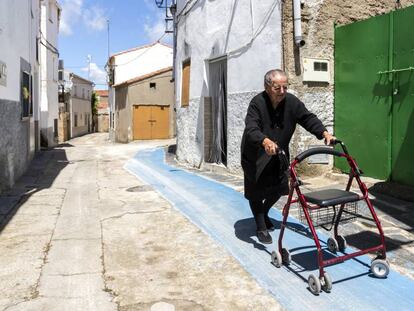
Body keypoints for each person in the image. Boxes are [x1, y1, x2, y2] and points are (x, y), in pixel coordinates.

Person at [240, 69, 335, 244]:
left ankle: (264, 212)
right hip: (256, 153)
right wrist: (265, 141)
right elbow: (251, 128)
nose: (282, 92)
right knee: (256, 192)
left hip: (278, 153)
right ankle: (261, 226)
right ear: (267, 87)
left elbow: (307, 118)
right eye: (278, 88)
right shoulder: (257, 103)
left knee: (280, 188)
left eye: (285, 87)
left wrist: (323, 133)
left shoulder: (291, 102)